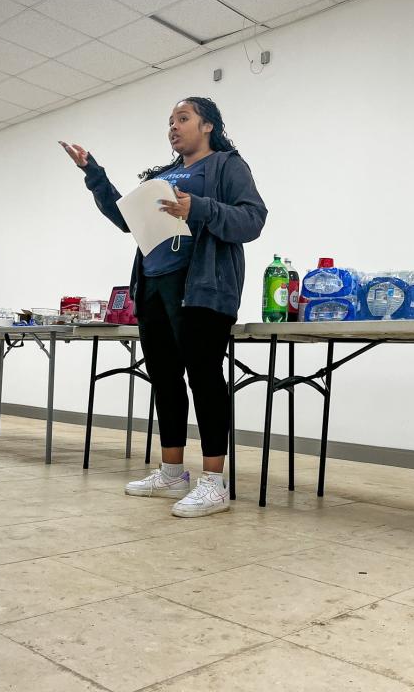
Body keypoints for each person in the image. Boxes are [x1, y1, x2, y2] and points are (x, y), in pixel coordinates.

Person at [60, 96, 267, 517]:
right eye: (170, 121)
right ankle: (173, 472)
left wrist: (200, 206)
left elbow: (252, 219)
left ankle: (214, 482)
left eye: (183, 118)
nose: (173, 127)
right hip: (153, 288)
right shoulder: (163, 175)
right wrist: (93, 173)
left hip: (203, 289)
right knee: (165, 380)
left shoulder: (226, 166)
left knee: (204, 378)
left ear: (208, 125)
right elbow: (126, 219)